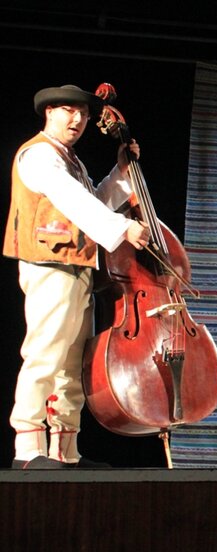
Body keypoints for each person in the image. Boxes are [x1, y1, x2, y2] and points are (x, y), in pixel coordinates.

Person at [3, 85, 150, 469]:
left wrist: (120, 174)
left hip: (77, 265)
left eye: (83, 114)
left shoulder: (72, 161)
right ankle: (28, 448)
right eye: (68, 111)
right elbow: (70, 199)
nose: (77, 120)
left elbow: (92, 201)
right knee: (45, 353)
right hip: (49, 264)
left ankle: (65, 451)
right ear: (48, 113)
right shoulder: (38, 155)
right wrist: (121, 227)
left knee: (72, 363)